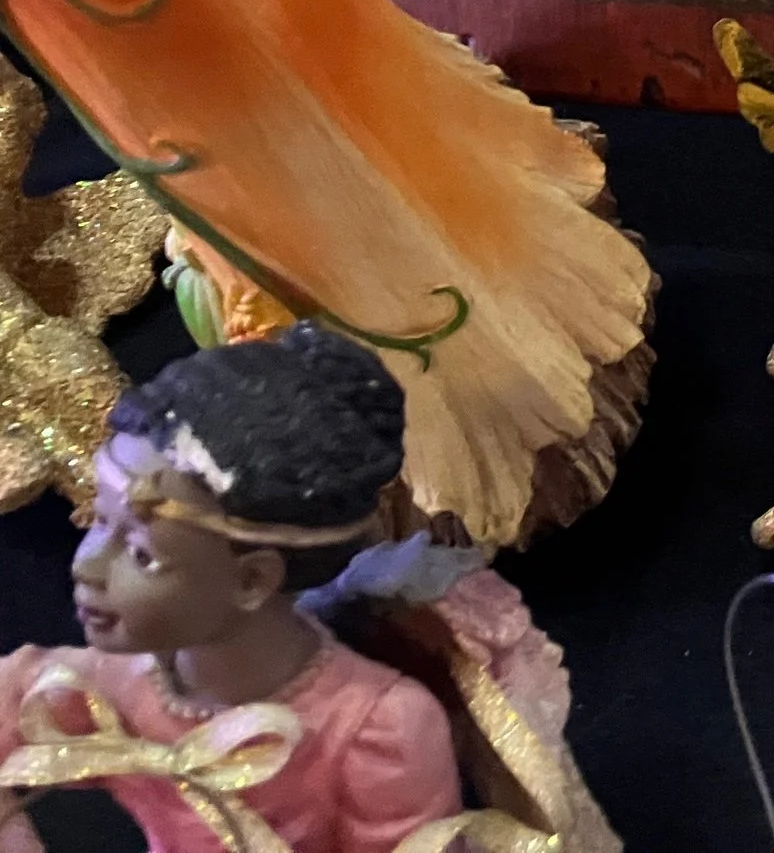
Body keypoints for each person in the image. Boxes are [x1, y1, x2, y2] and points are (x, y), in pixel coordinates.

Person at [0, 326, 462, 853]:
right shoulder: (104, 690)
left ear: (251, 580)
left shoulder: (372, 731)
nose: (88, 566)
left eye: (143, 554)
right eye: (99, 522)